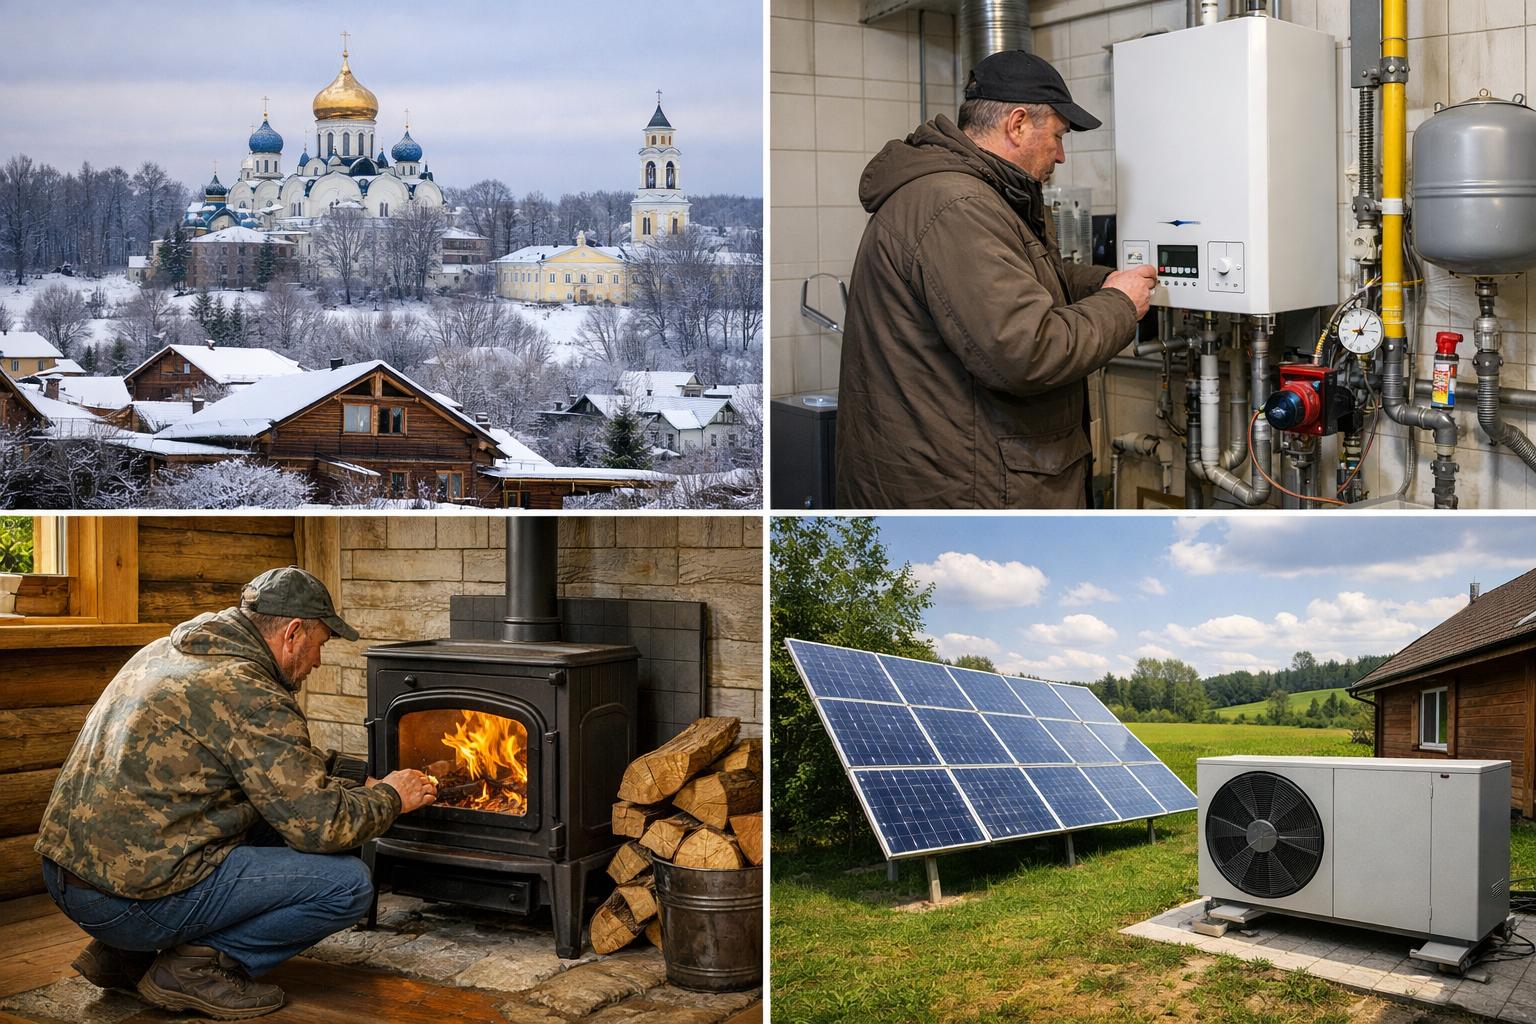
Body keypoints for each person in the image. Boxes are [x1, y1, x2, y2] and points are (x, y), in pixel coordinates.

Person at [34, 565, 438, 1020]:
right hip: (124, 902)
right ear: (293, 632)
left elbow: (254, 761)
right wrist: (392, 796)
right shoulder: (250, 692)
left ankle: (124, 957)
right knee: (346, 886)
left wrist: (350, 776)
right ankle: (190, 970)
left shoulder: (167, 652)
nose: (319, 661)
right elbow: (323, 828)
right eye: (321, 645)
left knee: (268, 821)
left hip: (69, 874)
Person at [834, 49, 1159, 508]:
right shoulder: (956, 206)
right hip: (962, 488)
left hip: (963, 474)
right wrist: (1120, 306)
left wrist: (1109, 282)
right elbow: (1029, 350)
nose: (1062, 155)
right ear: (1018, 124)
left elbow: (1029, 274)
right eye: (1059, 136)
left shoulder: (978, 194)